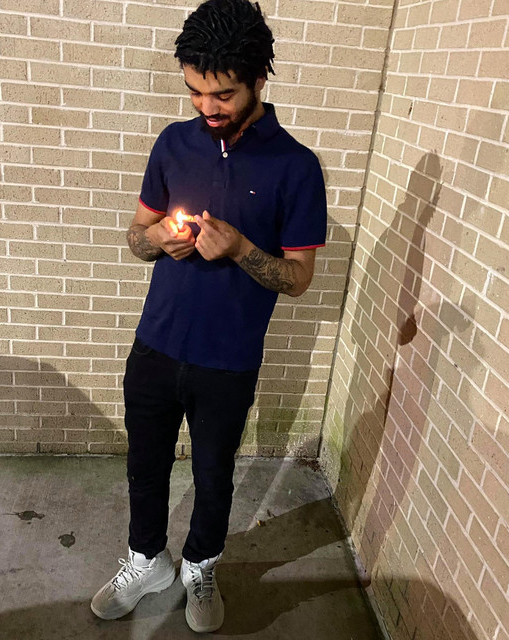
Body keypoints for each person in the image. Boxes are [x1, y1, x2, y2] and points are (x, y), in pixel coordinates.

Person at [91, 0, 327, 632]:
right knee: (144, 466)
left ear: (259, 79)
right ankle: (147, 561)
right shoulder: (173, 143)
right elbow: (136, 236)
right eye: (195, 91)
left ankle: (200, 565)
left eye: (222, 94)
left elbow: (299, 278)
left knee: (214, 475)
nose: (207, 107)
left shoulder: (297, 167)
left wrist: (242, 249)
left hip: (228, 360)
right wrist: (155, 240)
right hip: (155, 344)